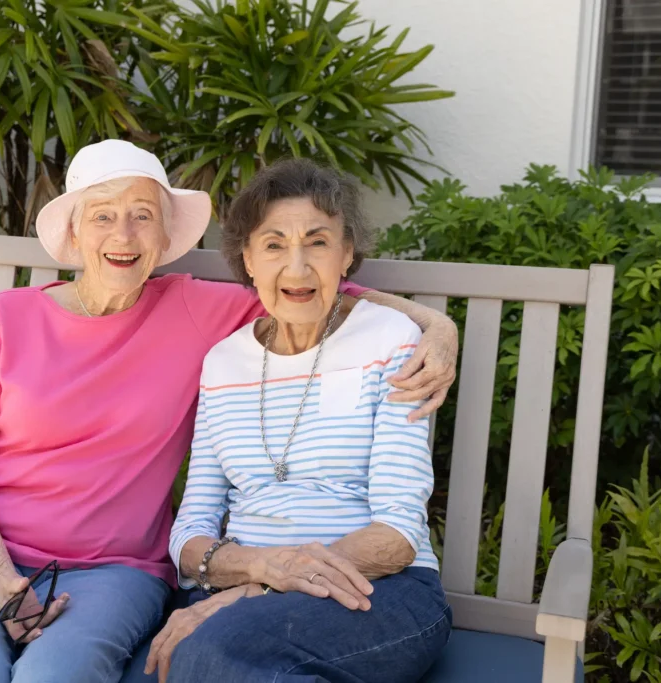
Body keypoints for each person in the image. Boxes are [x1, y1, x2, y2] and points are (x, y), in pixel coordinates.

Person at [0, 140, 458, 683]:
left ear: (165, 234)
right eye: (103, 216)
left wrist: (437, 327)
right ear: (74, 233)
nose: (123, 235)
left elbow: (311, 287)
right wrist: (4, 579)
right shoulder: (12, 315)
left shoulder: (198, 311)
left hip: (115, 569)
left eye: (142, 216)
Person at [138, 158, 450, 683]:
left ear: (347, 254)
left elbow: (397, 532)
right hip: (248, 600)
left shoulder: (390, 341)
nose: (298, 267)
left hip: (381, 589)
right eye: (275, 244)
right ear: (248, 260)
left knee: (214, 657)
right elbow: (190, 533)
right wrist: (257, 571)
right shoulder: (223, 363)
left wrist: (254, 589)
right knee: (213, 658)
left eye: (318, 242)